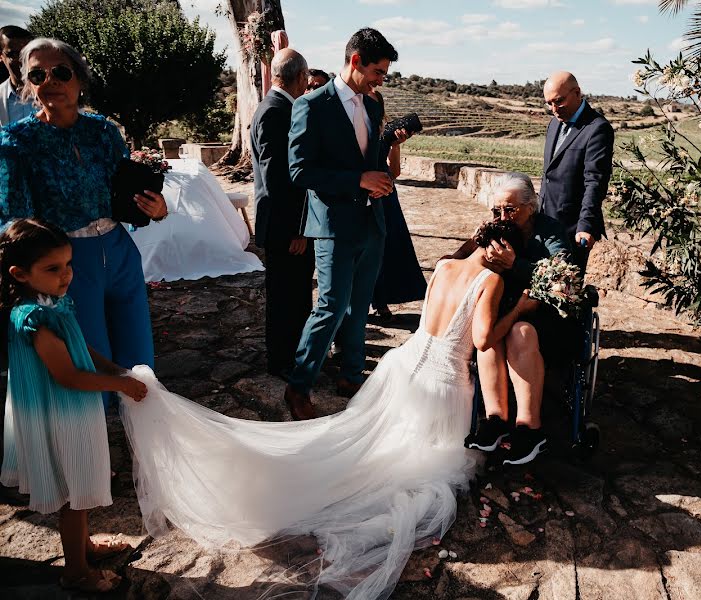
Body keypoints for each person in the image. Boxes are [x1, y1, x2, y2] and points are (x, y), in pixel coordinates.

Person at [117, 219, 537, 600]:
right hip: (444, 382)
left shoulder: (446, 265)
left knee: (370, 447)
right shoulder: (490, 281)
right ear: (502, 248)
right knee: (418, 474)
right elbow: (483, 340)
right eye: (513, 251)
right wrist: (517, 310)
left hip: (406, 366)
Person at [0, 38, 167, 409]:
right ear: (28, 83)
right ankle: (97, 450)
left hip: (120, 251)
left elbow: (124, 195)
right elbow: (13, 219)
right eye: (37, 74)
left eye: (61, 71)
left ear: (80, 79)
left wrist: (154, 209)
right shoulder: (16, 142)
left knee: (139, 357)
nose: (50, 81)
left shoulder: (103, 132)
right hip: (68, 263)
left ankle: (145, 432)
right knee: (91, 359)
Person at [0, 219, 148, 594]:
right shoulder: (33, 319)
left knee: (78, 488)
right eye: (53, 269)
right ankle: (76, 572)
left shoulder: (54, 302)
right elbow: (67, 375)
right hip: (61, 414)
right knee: (73, 496)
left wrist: (114, 367)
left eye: (68, 265)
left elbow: (81, 347)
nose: (65, 275)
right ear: (20, 273)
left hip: (75, 410)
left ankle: (82, 548)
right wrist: (120, 385)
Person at [284, 28, 397, 419]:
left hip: (372, 223)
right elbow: (298, 171)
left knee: (360, 305)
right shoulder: (312, 106)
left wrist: (378, 179)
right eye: (378, 71)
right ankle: (298, 387)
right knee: (330, 307)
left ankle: (351, 376)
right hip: (333, 225)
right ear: (355, 62)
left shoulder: (373, 106)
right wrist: (358, 181)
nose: (381, 79)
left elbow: (369, 160)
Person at [456, 173, 574, 465]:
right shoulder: (495, 229)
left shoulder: (551, 233)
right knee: (488, 332)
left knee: (519, 330)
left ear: (530, 206)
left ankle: (530, 428)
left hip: (543, 315)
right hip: (506, 310)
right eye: (496, 210)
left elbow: (564, 280)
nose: (502, 216)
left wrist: (515, 265)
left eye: (510, 209)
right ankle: (495, 419)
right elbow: (461, 257)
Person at [251, 48, 315, 380]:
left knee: (293, 293)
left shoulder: (271, 107)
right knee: (288, 297)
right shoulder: (277, 112)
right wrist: (298, 230)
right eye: (306, 77)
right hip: (285, 227)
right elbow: (279, 179)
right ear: (301, 77)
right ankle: (282, 361)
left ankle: (290, 356)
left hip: (281, 223)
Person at [539, 71, 613, 270]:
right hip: (544, 222)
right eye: (549, 103)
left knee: (565, 290)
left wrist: (586, 225)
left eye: (559, 101)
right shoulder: (554, 124)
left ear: (577, 93)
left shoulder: (597, 128)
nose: (554, 109)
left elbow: (595, 181)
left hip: (571, 229)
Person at [368, 89, 427, 319]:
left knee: (390, 247)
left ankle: (383, 300)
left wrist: (395, 144)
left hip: (385, 194)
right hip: (362, 192)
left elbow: (394, 172)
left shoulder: (385, 133)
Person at [0, 26, 34, 127]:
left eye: (28, 54)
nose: (22, 61)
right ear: (1, 56)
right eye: (14, 55)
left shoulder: (54, 94)